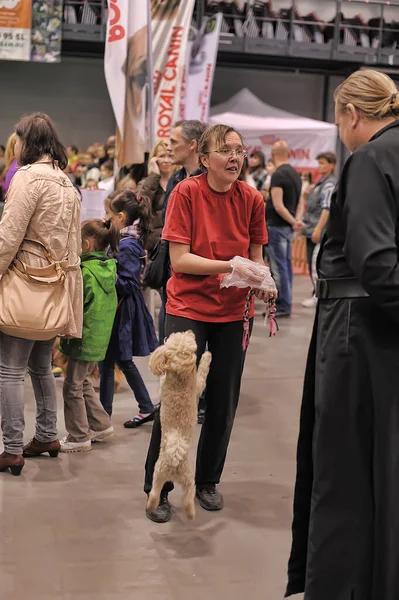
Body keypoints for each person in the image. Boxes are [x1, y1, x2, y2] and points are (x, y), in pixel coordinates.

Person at [286, 70, 399, 600]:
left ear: (351, 114)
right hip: (377, 336)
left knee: (344, 473)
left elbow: (377, 264)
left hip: (356, 336)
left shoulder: (371, 159)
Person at [144, 124, 270, 524]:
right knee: (177, 400)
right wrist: (231, 266)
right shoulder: (186, 193)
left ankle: (207, 481)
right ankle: (158, 486)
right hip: (187, 307)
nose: (235, 157)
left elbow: (257, 256)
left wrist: (263, 281)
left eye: (239, 150)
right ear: (204, 159)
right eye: (225, 150)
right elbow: (180, 260)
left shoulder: (252, 198)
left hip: (234, 311)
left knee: (223, 401)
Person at [0, 112, 82, 475]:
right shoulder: (67, 183)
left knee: (10, 370)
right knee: (40, 366)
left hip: (23, 283)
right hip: (54, 289)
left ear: (24, 140)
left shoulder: (27, 179)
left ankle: (12, 448)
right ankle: (48, 435)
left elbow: (8, 238)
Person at [59, 219, 119, 453]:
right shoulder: (107, 269)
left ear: (85, 244)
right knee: (82, 382)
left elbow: (77, 307)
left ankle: (78, 436)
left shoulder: (84, 273)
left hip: (83, 339)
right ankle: (101, 425)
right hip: (99, 340)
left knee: (72, 386)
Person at [99, 190, 158, 428]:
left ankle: (104, 418)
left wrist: (105, 274)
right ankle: (116, 413)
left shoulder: (128, 245)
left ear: (121, 217)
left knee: (116, 361)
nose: (105, 217)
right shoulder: (124, 241)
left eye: (108, 214)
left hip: (123, 311)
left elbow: (131, 283)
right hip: (119, 309)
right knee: (112, 362)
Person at [159, 120, 207, 346]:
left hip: (195, 275)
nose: (168, 147)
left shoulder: (208, 182)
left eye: (173, 142)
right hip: (170, 272)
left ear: (192, 145)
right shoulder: (176, 179)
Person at [266, 141, 302, 317]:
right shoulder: (295, 174)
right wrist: (296, 220)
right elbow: (299, 201)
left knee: (279, 268)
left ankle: (282, 304)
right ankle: (286, 302)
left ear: (273, 153)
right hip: (287, 227)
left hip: (277, 226)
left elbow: (278, 205)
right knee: (286, 266)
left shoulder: (278, 175)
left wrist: (293, 221)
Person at [300, 152, 337, 308]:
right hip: (311, 229)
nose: (320, 166)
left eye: (323, 163)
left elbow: (326, 209)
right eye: (319, 163)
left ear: (332, 165)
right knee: (311, 263)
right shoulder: (320, 183)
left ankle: (318, 295)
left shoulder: (329, 184)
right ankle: (316, 292)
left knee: (316, 265)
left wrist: (318, 229)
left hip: (318, 232)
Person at [137, 140, 174, 251]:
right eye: (161, 156)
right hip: (154, 246)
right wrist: (154, 176)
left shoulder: (181, 180)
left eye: (170, 156)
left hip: (176, 243)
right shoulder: (145, 183)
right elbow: (141, 207)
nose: (166, 160)